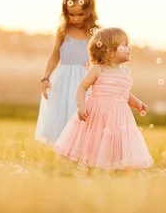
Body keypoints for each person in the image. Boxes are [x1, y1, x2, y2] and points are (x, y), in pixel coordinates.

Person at [53, 27, 153, 172]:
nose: (129, 48)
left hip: (119, 116)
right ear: (110, 51)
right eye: (124, 45)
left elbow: (124, 94)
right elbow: (81, 88)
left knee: (118, 142)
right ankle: (91, 172)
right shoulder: (98, 69)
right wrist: (81, 106)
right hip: (98, 114)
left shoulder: (126, 72)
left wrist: (137, 103)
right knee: (95, 141)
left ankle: (118, 171)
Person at [34, 0, 100, 145]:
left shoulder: (96, 31)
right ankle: (64, 150)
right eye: (71, 15)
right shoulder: (63, 31)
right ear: (65, 12)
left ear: (89, 11)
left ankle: (81, 149)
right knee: (62, 114)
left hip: (85, 79)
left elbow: (102, 58)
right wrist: (45, 77)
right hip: (63, 79)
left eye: (80, 14)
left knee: (81, 114)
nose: (76, 19)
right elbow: (55, 55)